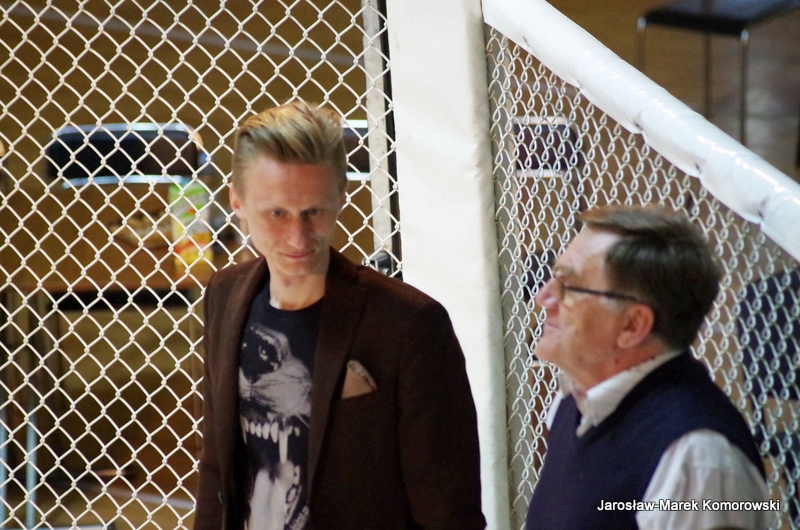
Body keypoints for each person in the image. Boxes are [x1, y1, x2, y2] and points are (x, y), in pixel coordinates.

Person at [193, 100, 485, 530]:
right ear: (236, 200)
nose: (298, 237)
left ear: (341, 197)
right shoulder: (225, 295)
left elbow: (449, 512)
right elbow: (218, 465)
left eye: (314, 211)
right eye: (277, 213)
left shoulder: (409, 324)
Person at [525, 205, 769, 530]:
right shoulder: (576, 400)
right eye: (553, 278)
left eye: (567, 288)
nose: (543, 298)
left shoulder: (696, 458)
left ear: (632, 325)